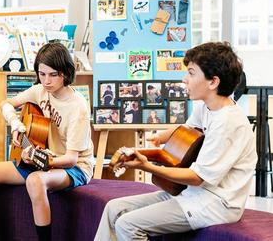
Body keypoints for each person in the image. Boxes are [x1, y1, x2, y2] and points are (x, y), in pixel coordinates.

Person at [94, 42, 257, 240]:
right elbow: (187, 130)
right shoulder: (205, 106)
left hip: (217, 203)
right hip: (192, 193)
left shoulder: (229, 123)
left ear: (213, 82)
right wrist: (160, 136)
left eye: (191, 73)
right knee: (114, 208)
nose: (184, 79)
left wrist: (147, 166)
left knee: (127, 224)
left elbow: (197, 177)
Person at [0, 42, 95, 241]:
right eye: (42, 74)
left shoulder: (78, 107)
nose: (46, 81)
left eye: (53, 74)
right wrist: (15, 124)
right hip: (41, 158)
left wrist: (38, 159)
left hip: (75, 167)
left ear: (66, 72)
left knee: (35, 180)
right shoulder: (39, 90)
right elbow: (6, 103)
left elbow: (71, 159)